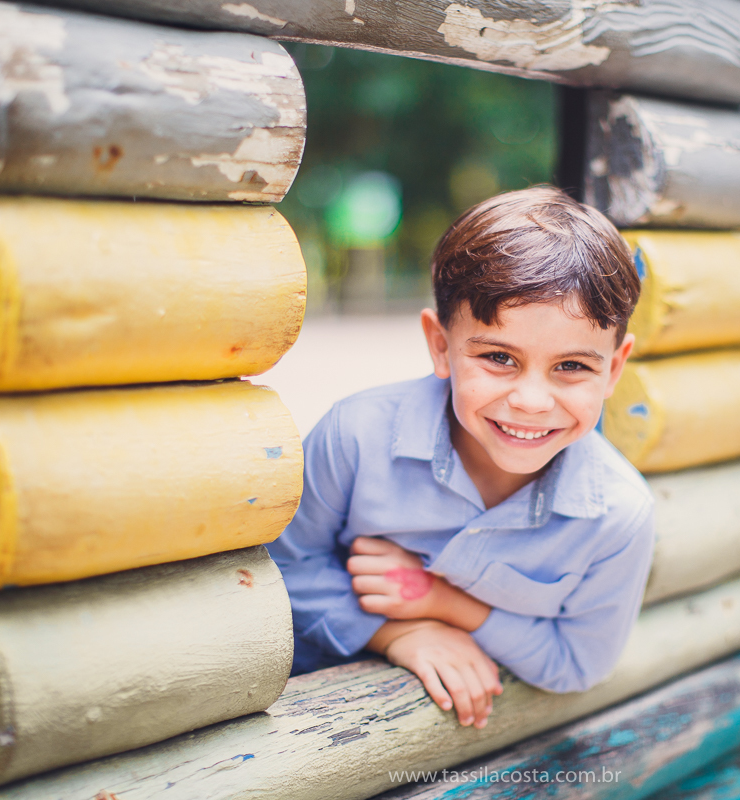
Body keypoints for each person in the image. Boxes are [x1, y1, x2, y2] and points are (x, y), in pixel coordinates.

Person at [266, 185, 655, 730]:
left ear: (614, 369)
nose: (531, 401)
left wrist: (446, 603)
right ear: (440, 345)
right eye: (499, 357)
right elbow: (277, 566)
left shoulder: (618, 512)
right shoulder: (355, 436)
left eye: (572, 367)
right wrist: (399, 631)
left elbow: (578, 660)